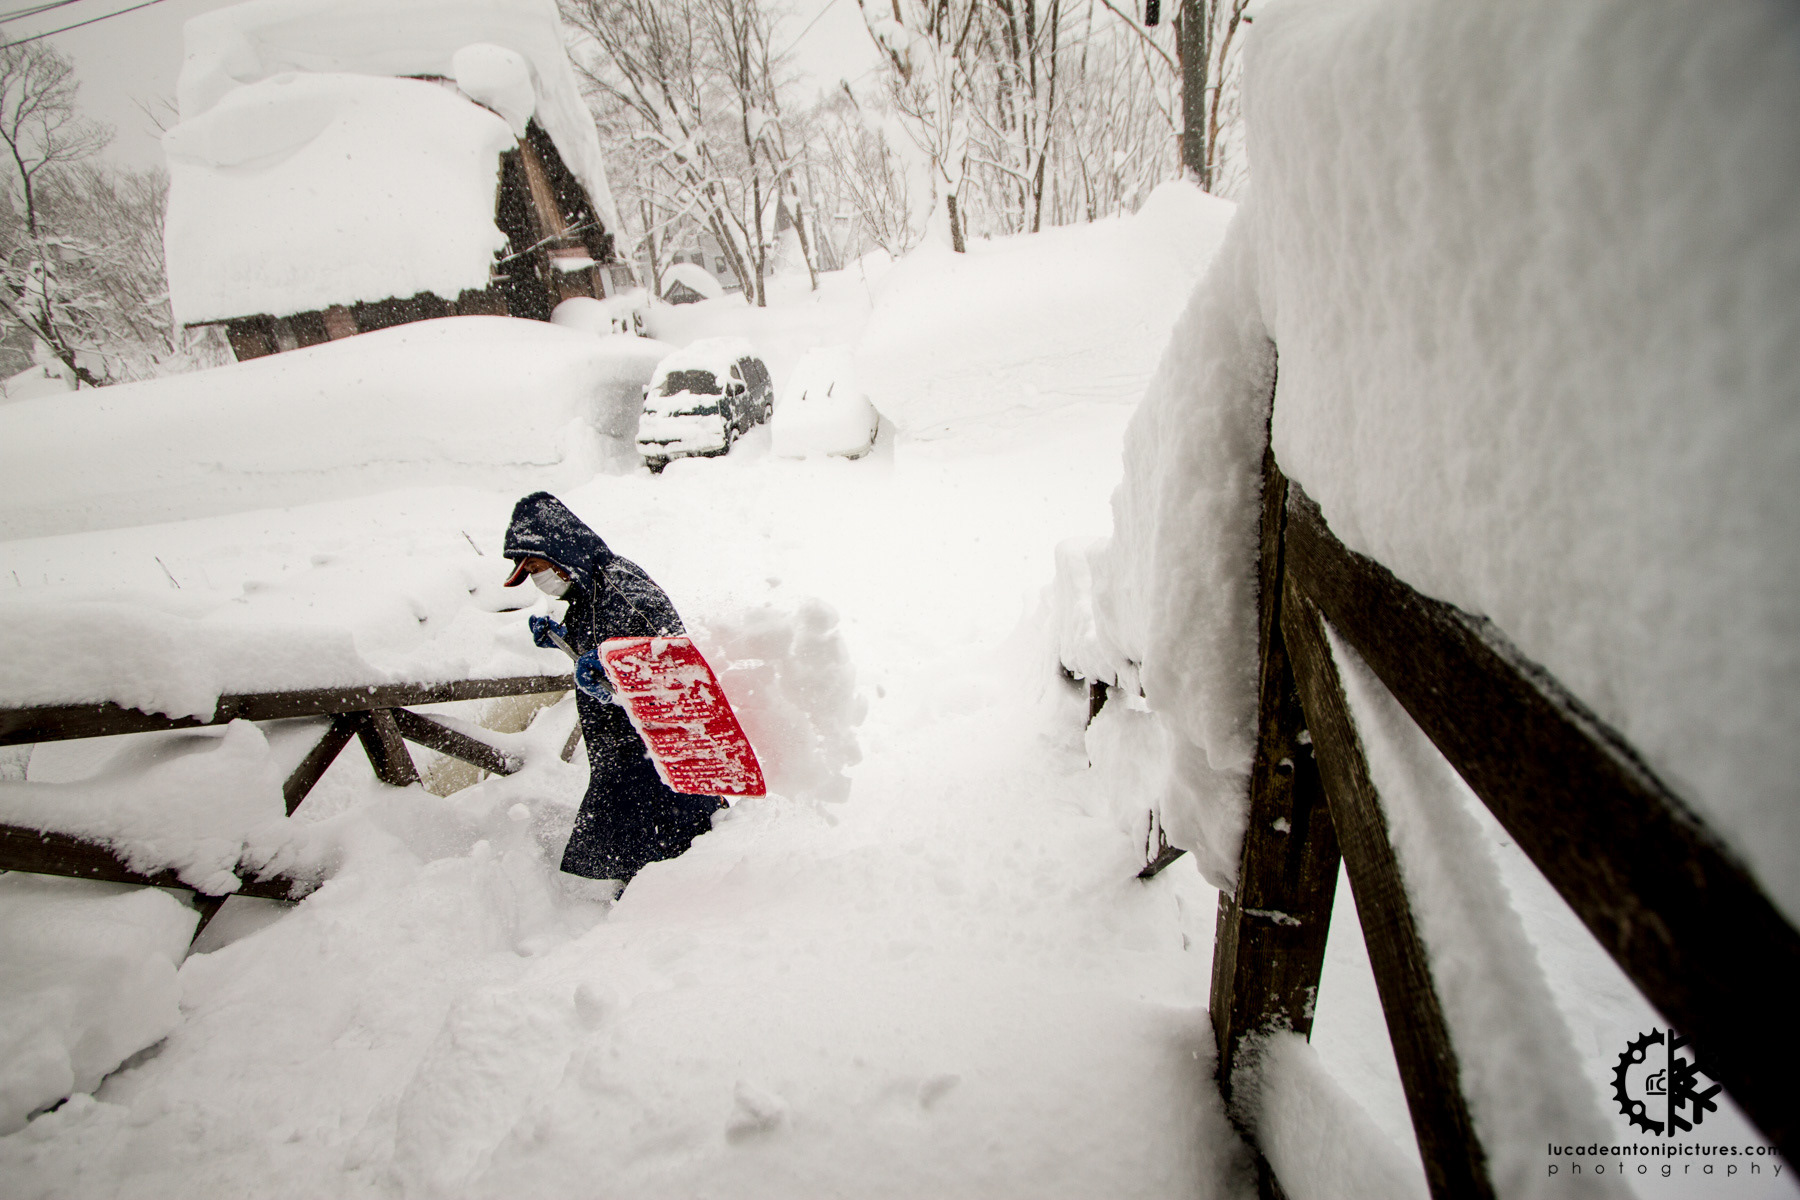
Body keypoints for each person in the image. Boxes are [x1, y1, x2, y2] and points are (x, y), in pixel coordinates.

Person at [501, 491, 724, 893]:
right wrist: (565, 640)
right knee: (631, 829)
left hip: (651, 745)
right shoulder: (585, 590)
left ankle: (676, 898)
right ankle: (648, 891)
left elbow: (671, 656)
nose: (537, 579)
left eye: (536, 567)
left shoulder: (621, 586)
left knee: (669, 830)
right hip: (619, 743)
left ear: (561, 553)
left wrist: (613, 668)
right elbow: (605, 641)